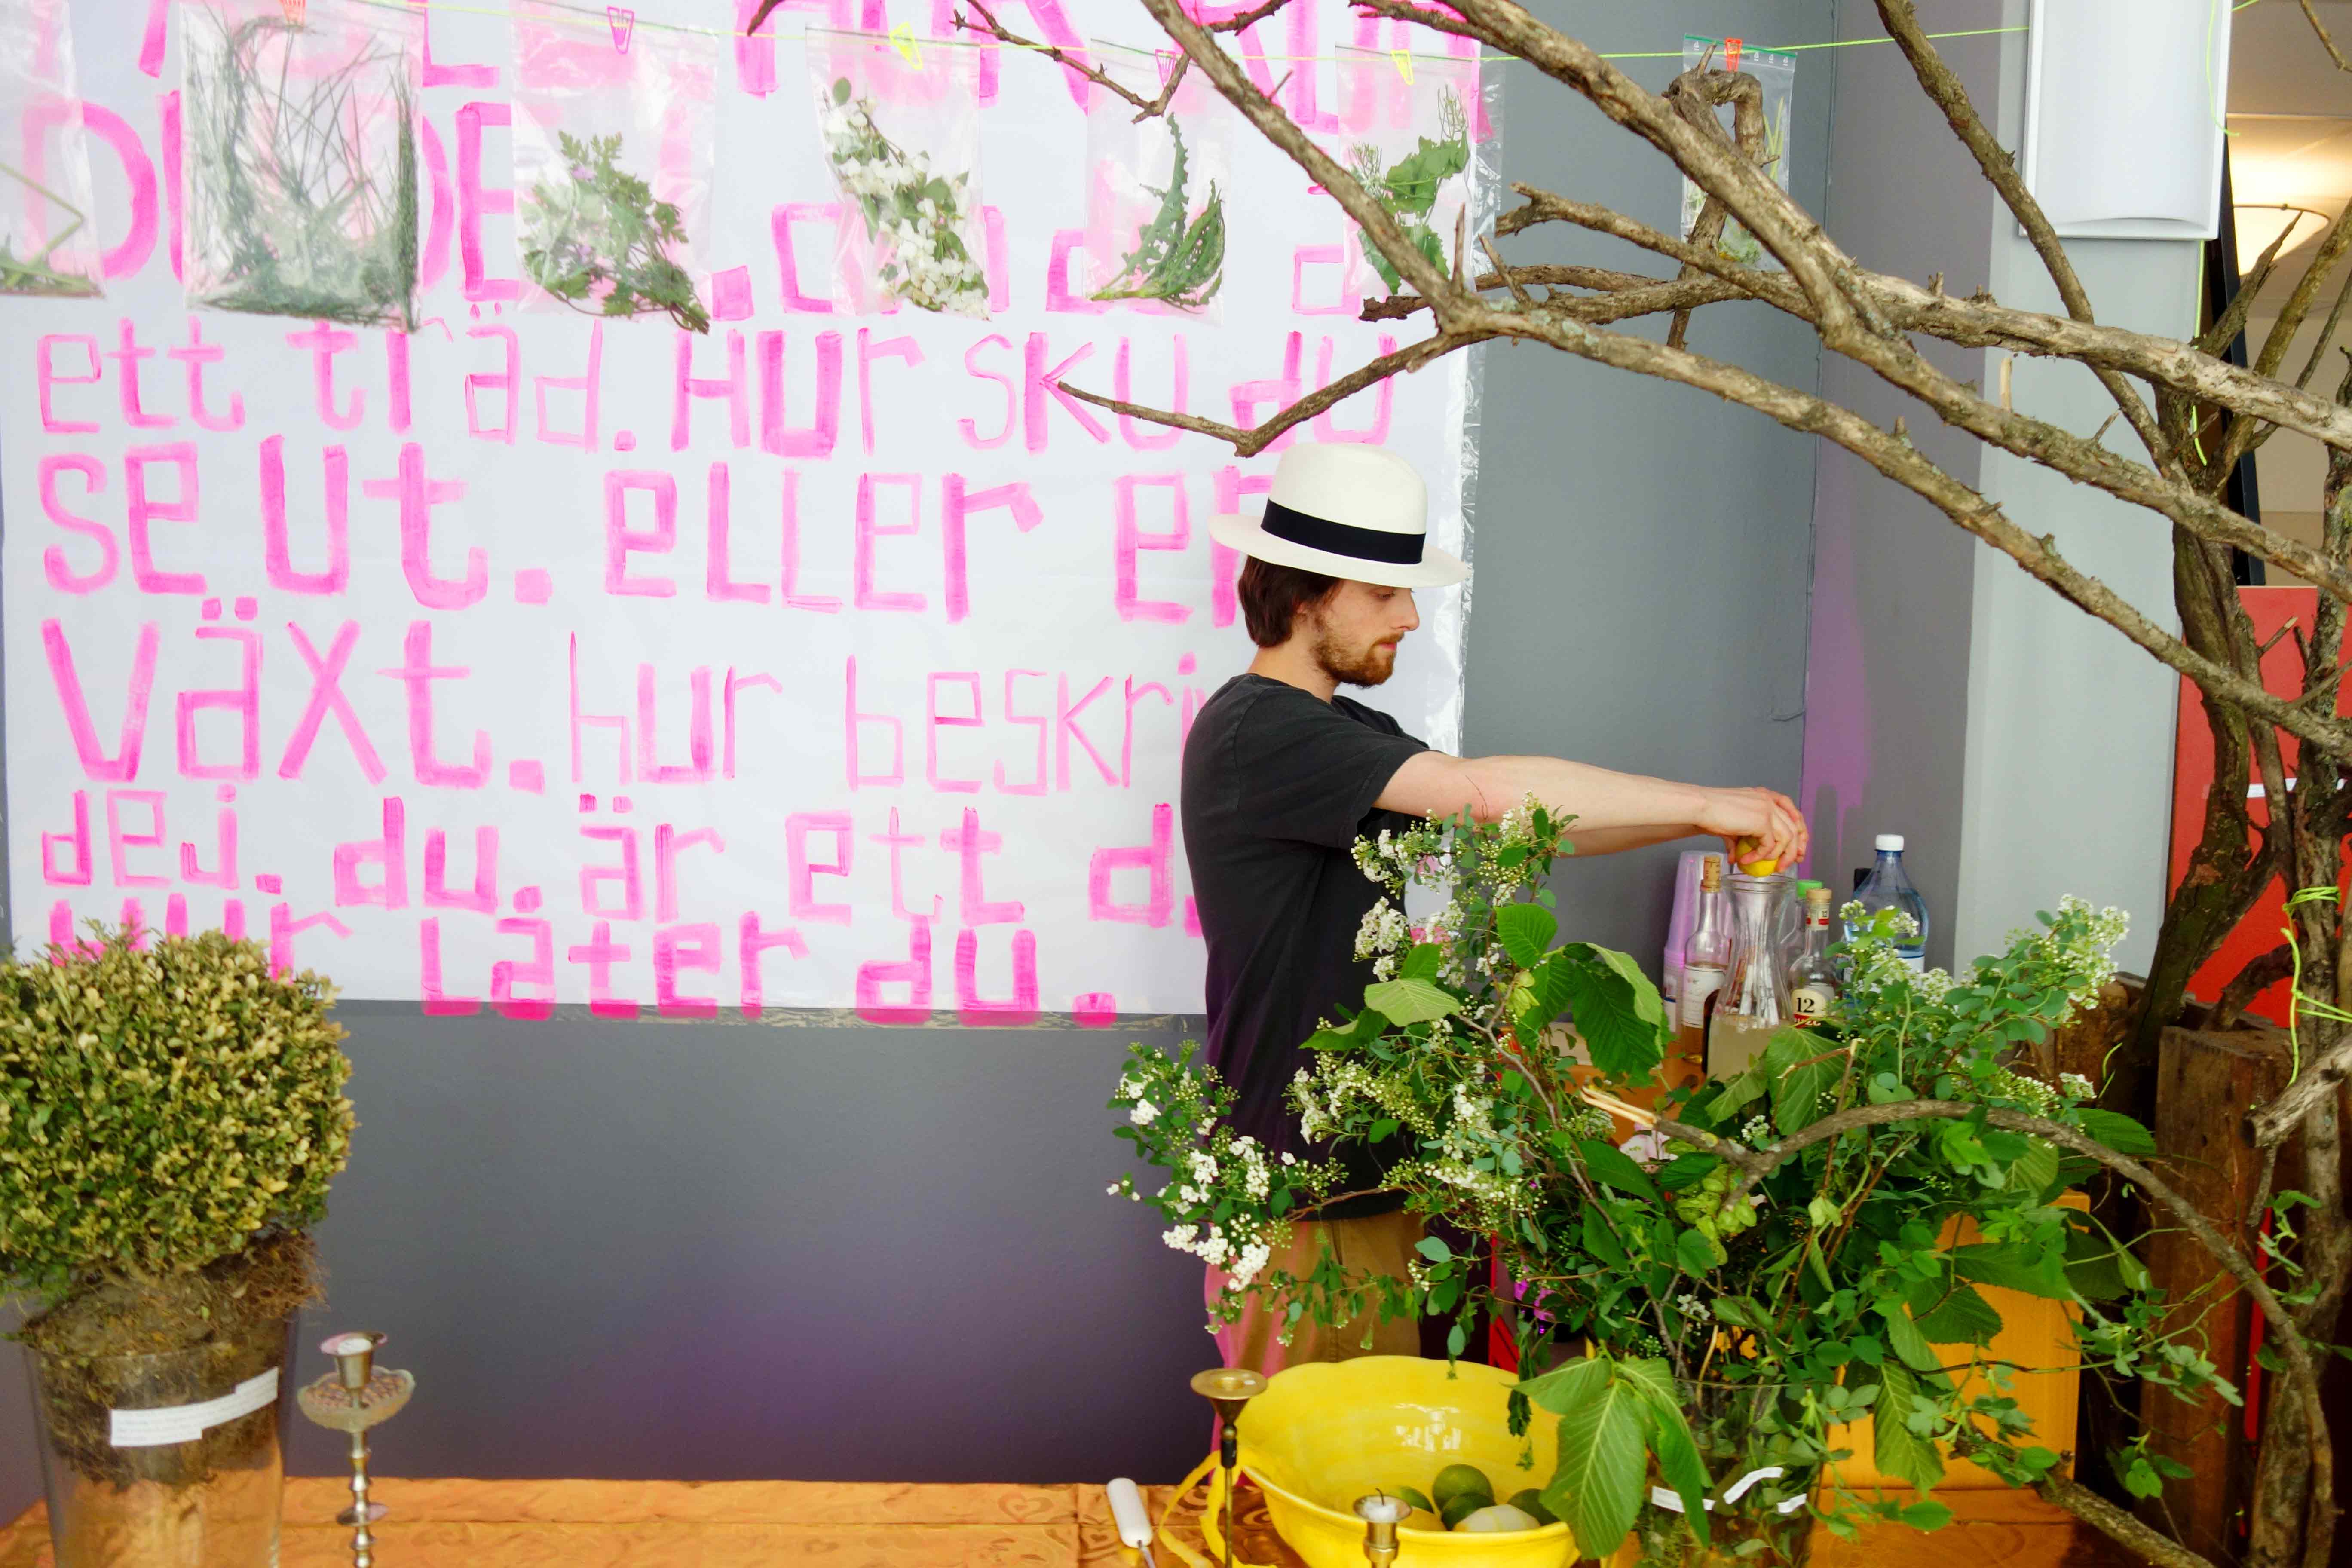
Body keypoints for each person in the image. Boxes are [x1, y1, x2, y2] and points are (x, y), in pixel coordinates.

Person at [1181, 442, 1806, 1375]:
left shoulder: (1343, 733)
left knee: (1398, 1444)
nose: (1409, 615)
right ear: (1308, 596)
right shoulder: (1259, 730)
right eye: (1384, 593)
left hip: (1369, 1169)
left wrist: (1702, 820)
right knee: (1318, 1450)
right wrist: (1711, 802)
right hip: (1307, 1190)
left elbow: (1530, 827)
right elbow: (1484, 795)